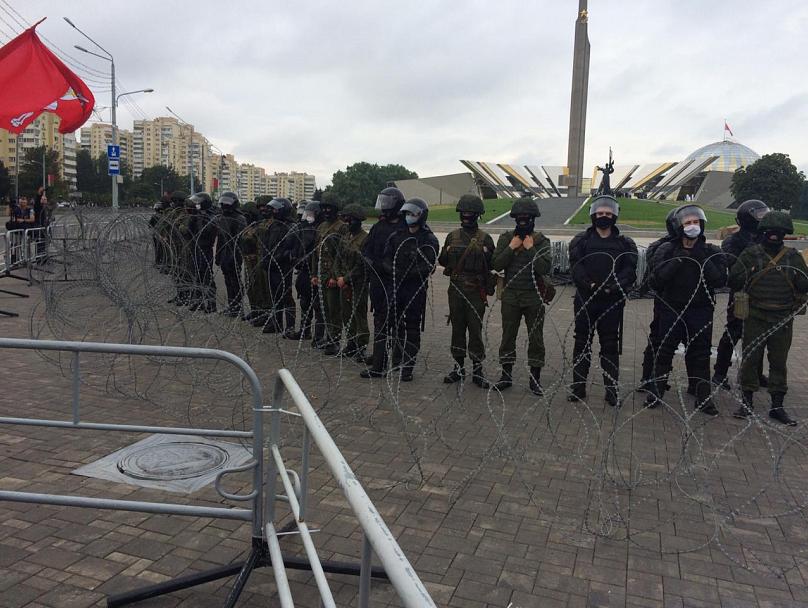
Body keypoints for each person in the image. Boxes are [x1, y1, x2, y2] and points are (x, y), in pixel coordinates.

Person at [645, 205, 727, 415]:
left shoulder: (711, 251)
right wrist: (678, 259)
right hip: (672, 308)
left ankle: (703, 397)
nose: (692, 226)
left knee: (700, 353)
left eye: (696, 222)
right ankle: (655, 392)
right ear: (679, 227)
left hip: (700, 310)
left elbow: (720, 280)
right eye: (688, 223)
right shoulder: (667, 250)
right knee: (664, 351)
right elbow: (655, 281)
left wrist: (700, 258)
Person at [728, 211, 808, 425]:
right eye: (771, 231)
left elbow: (803, 284)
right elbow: (734, 280)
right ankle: (747, 401)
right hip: (755, 315)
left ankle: (777, 405)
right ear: (763, 231)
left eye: (779, 232)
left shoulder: (792, 257)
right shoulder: (751, 254)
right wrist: (749, 272)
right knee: (750, 359)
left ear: (785, 234)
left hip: (782, 318)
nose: (774, 235)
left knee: (778, 362)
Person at [567, 195, 638, 406]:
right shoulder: (581, 241)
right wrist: (590, 285)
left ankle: (611, 390)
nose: (604, 216)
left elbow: (629, 270)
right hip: (586, 299)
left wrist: (614, 286)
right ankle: (578, 387)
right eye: (600, 213)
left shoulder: (624, 243)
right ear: (593, 215)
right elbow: (576, 267)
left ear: (614, 216)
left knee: (610, 345)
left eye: (608, 213)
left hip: (611, 301)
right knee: (582, 343)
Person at [491, 197, 552, 395]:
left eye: (527, 217)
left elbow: (544, 268)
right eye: (519, 217)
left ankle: (535, 378)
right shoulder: (506, 238)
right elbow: (496, 264)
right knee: (508, 336)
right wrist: (511, 247)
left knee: (536, 338)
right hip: (511, 295)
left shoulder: (541, 241)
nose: (523, 220)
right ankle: (506, 375)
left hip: (534, 296)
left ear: (533, 218)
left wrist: (530, 248)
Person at [437, 194, 495, 387]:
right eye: (463, 212)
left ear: (477, 215)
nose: (466, 216)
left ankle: (477, 369)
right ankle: (458, 367)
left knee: (475, 330)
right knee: (458, 329)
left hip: (476, 290)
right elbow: (443, 261)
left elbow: (493, 264)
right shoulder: (452, 236)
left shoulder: (485, 239)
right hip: (456, 289)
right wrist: (447, 252)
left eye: (470, 213)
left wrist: (485, 254)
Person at [712, 199, 771, 390]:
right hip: (742, 294)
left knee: (759, 333)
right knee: (734, 331)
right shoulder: (733, 241)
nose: (763, 218)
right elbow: (734, 265)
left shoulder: (764, 238)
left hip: (762, 293)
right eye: (760, 214)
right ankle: (720, 373)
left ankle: (755, 373)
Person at [379, 198, 438, 381]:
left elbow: (428, 264)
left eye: (413, 214)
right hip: (396, 286)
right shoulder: (397, 236)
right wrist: (394, 270)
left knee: (412, 326)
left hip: (415, 289)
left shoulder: (428, 239)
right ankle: (396, 360)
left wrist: (409, 273)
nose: (410, 217)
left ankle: (408, 366)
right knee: (394, 323)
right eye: (407, 213)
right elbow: (385, 258)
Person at [361, 187, 406, 378]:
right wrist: (370, 262)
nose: (384, 206)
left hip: (397, 282)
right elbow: (366, 248)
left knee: (397, 322)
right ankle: (379, 359)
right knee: (380, 320)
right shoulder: (379, 227)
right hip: (378, 280)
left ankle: (397, 360)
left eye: (388, 202)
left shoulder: (404, 227)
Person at [334, 204, 371, 362]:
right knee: (346, 313)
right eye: (346, 219)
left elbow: (362, 265)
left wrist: (346, 279)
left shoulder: (365, 239)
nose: (348, 222)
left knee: (359, 314)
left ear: (359, 221)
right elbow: (338, 258)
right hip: (343, 282)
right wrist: (338, 276)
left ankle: (361, 345)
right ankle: (351, 343)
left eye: (351, 220)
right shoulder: (345, 237)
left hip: (358, 283)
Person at [311, 195, 345, 355]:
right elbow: (315, 253)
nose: (325, 211)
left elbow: (340, 255)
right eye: (323, 208)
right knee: (323, 307)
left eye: (329, 208)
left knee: (334, 309)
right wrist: (314, 273)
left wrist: (334, 276)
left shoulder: (341, 228)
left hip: (332, 273)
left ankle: (334, 339)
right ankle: (327, 336)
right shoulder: (321, 226)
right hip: (321, 271)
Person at [286, 201, 322, 342]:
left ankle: (319, 335)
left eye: (311, 214)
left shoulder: (320, 231)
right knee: (305, 302)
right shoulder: (303, 229)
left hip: (316, 272)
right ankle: (304, 331)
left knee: (318, 305)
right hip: (303, 271)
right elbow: (295, 245)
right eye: (307, 213)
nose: (308, 216)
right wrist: (295, 258)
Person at [261, 197, 297, 336]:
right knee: (274, 295)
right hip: (271, 265)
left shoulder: (291, 227)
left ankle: (290, 326)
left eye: (276, 210)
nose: (273, 212)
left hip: (283, 266)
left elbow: (291, 248)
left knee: (285, 295)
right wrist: (265, 259)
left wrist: (280, 257)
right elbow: (266, 244)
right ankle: (276, 323)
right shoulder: (273, 225)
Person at [215, 191, 247, 317]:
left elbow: (240, 239)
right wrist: (218, 255)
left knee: (235, 281)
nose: (225, 206)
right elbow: (220, 239)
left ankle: (238, 307)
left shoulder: (240, 218)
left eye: (227, 203)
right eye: (223, 203)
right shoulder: (222, 218)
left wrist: (234, 255)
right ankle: (232, 305)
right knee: (228, 280)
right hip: (224, 253)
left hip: (234, 253)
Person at [185, 192, 218, 312]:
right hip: (195, 248)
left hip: (205, 250)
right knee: (196, 275)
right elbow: (188, 233)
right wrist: (193, 218)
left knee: (206, 276)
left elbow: (205, 232)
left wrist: (199, 218)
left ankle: (211, 303)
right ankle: (198, 302)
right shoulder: (196, 216)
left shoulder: (211, 217)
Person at [240, 201, 271, 325]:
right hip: (249, 260)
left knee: (261, 288)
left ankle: (263, 313)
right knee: (251, 286)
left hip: (258, 260)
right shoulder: (252, 225)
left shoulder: (263, 226)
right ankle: (255, 310)